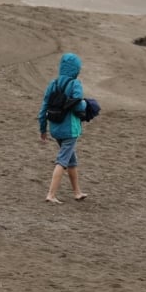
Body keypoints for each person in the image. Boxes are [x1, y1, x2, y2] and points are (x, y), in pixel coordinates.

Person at [38, 52, 88, 204]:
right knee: (63, 161)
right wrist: (86, 105)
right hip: (70, 130)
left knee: (71, 160)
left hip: (55, 129)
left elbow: (43, 108)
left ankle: (77, 192)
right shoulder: (75, 84)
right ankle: (51, 194)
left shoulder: (53, 84)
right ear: (76, 69)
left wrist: (42, 129)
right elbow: (79, 105)